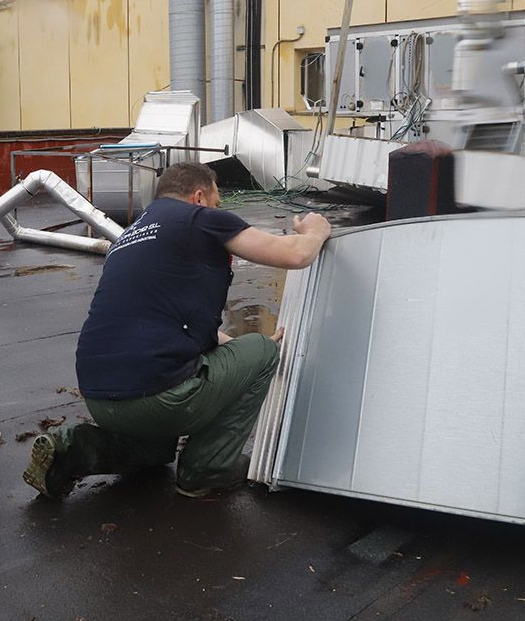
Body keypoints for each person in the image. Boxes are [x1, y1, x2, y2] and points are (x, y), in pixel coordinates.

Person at [23, 161, 331, 499]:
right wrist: (315, 230)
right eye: (216, 203)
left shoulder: (130, 236)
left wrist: (239, 353)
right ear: (199, 198)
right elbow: (297, 256)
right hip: (159, 397)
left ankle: (69, 450)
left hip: (100, 396)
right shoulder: (199, 219)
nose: (218, 210)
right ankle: (207, 469)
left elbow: (169, 321)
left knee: (156, 452)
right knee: (265, 351)